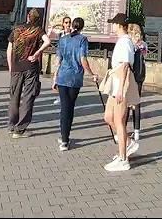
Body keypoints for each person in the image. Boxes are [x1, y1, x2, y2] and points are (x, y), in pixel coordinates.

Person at [100, 13, 139, 172]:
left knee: (119, 121)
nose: (113, 26)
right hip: (115, 84)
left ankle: (123, 159)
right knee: (108, 117)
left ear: (119, 25)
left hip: (120, 85)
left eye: (114, 24)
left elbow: (124, 66)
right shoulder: (122, 41)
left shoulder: (125, 42)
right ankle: (128, 143)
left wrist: (121, 89)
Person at [6, 8, 51, 138]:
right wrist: (37, 53)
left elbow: (9, 49)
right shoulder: (38, 30)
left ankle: (12, 125)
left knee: (14, 96)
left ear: (27, 16)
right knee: (28, 97)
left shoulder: (16, 29)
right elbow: (48, 41)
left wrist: (10, 66)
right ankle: (20, 129)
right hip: (31, 67)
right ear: (38, 19)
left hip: (16, 67)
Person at [54, 17, 98, 151]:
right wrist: (91, 74)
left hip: (62, 76)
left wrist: (55, 76)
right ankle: (65, 138)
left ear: (72, 25)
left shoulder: (63, 39)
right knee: (70, 107)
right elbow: (83, 59)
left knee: (64, 107)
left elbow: (58, 60)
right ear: (82, 27)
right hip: (75, 78)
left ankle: (64, 137)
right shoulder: (82, 40)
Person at [123, 22, 148, 148]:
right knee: (137, 102)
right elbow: (145, 55)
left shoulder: (130, 44)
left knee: (127, 102)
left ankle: (123, 129)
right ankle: (137, 130)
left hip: (131, 74)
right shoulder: (143, 44)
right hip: (141, 75)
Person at [51, 16, 72, 105]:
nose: (68, 24)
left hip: (68, 58)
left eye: (69, 22)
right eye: (66, 22)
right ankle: (61, 96)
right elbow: (50, 32)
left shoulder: (73, 34)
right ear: (63, 24)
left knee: (66, 77)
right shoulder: (61, 34)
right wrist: (57, 25)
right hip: (60, 56)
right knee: (57, 77)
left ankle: (65, 97)